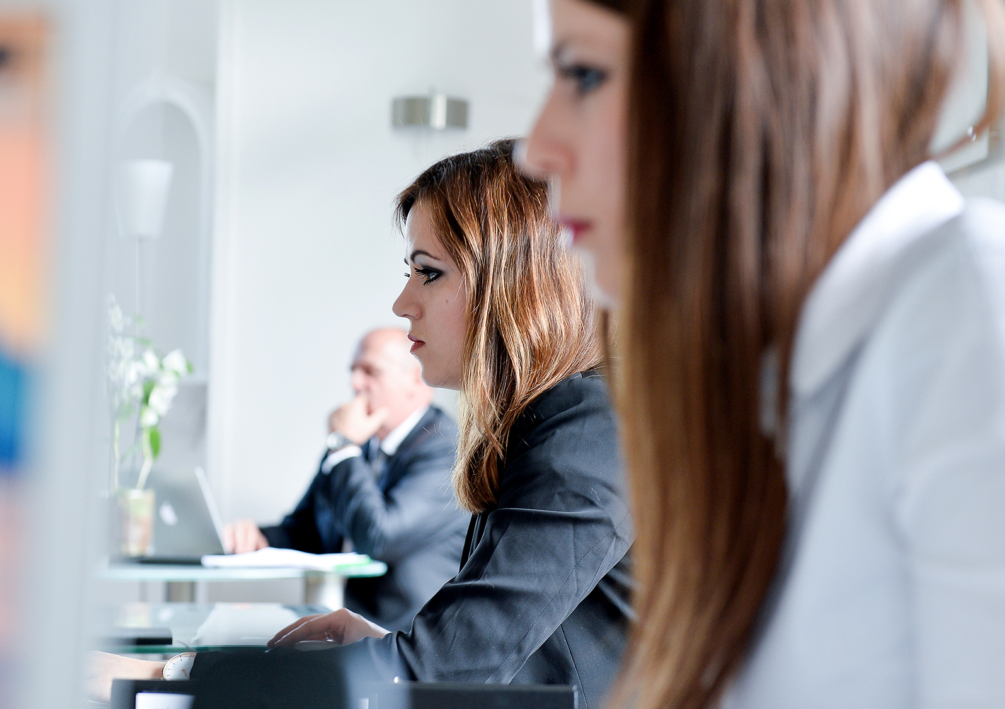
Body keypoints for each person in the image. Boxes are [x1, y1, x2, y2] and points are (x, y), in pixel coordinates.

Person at [521, 1, 1005, 709]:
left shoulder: (980, 302)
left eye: (584, 73)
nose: (536, 145)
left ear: (759, 71)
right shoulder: (758, 387)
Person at [88, 140, 633, 709]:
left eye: (428, 273)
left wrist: (170, 673)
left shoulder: (588, 432)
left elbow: (441, 667)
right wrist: (387, 646)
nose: (402, 303)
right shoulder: (555, 425)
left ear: (512, 286)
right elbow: (475, 659)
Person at [221, 328, 466, 632]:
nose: (355, 384)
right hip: (349, 629)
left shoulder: (445, 447)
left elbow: (378, 538)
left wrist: (344, 448)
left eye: (371, 372)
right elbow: (305, 531)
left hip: (412, 638)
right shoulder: (354, 444)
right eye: (353, 371)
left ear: (415, 381)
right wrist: (258, 537)